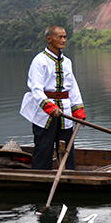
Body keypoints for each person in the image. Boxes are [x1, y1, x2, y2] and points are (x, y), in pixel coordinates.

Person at [20, 26, 86, 170]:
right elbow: (36, 88)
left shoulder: (67, 62)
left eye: (65, 37)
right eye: (60, 37)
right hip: (44, 114)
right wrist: (49, 106)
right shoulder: (39, 61)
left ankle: (69, 175)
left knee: (67, 146)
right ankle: (40, 175)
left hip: (65, 111)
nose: (63, 40)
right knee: (44, 146)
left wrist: (78, 110)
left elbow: (72, 87)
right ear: (49, 39)